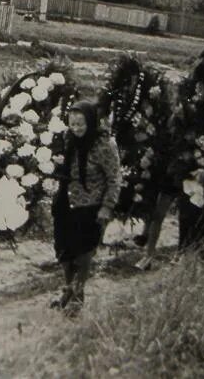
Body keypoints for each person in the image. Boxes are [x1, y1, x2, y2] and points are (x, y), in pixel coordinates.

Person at [51, 100, 122, 315]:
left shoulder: (104, 145)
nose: (76, 129)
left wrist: (107, 207)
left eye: (81, 124)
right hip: (66, 201)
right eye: (72, 124)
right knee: (64, 251)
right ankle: (68, 289)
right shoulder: (66, 139)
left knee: (83, 253)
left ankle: (78, 295)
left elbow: (114, 179)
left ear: (91, 122)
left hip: (90, 205)